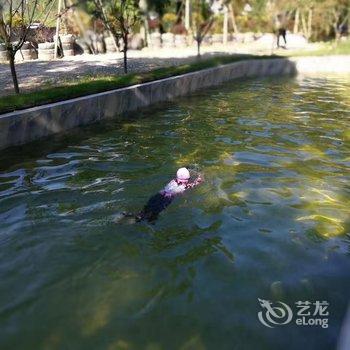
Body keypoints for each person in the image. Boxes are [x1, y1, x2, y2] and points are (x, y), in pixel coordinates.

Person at [135, 167, 203, 223]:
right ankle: (150, 220)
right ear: (187, 179)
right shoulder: (184, 186)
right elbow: (197, 182)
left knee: (148, 207)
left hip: (159, 194)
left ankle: (139, 215)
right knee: (156, 212)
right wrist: (201, 176)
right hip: (167, 198)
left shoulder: (173, 181)